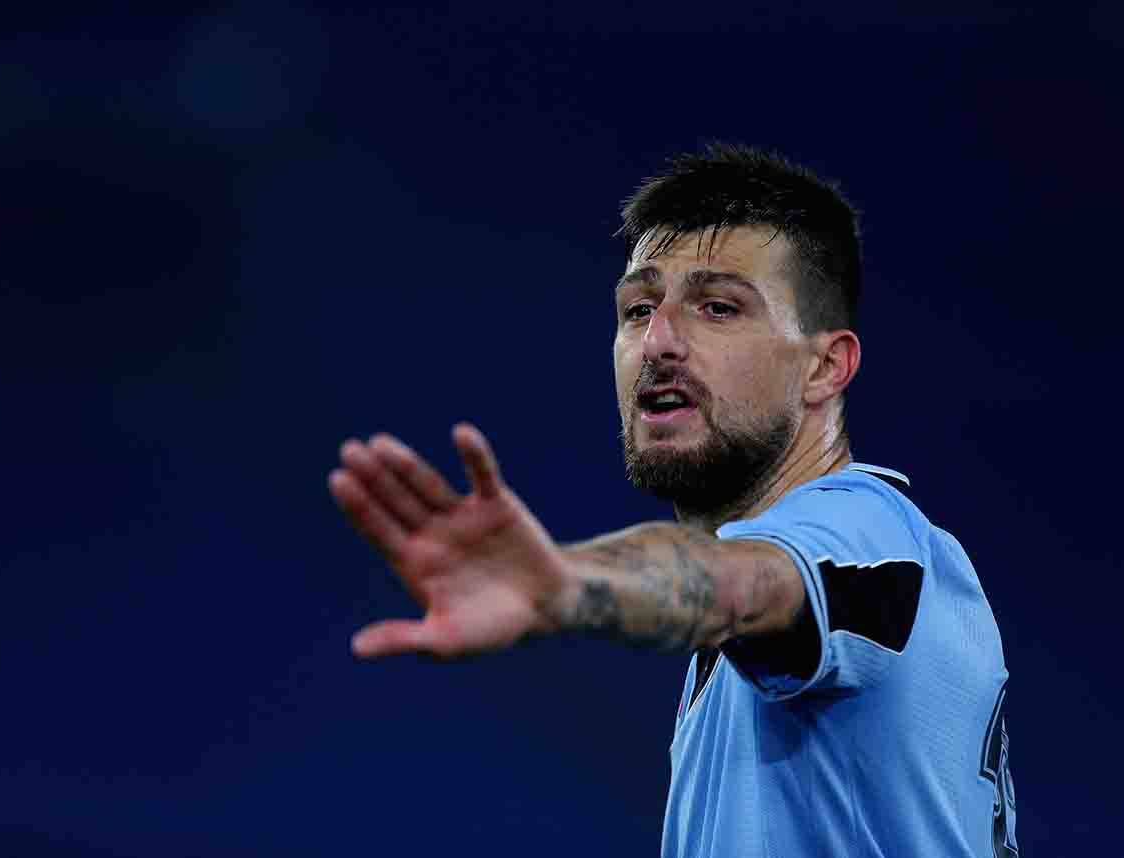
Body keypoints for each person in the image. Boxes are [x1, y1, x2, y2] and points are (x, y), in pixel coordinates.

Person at [328, 143, 1018, 857]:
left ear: (824, 366)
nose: (658, 341)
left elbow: (745, 584)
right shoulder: (745, 663)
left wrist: (570, 583)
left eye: (718, 308)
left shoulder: (864, 528)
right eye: (637, 309)